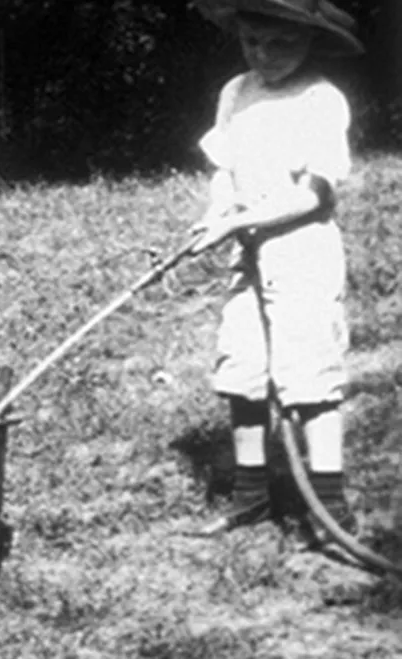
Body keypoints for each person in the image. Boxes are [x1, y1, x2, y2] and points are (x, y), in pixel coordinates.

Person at [186, 0, 364, 552]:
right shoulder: (236, 93)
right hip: (247, 251)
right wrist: (219, 212)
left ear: (310, 41)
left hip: (301, 249)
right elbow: (224, 171)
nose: (264, 55)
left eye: (281, 44)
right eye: (252, 42)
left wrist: (241, 221)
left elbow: (314, 195)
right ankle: (251, 495)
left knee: (309, 374)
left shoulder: (319, 99)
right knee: (242, 367)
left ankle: (329, 506)